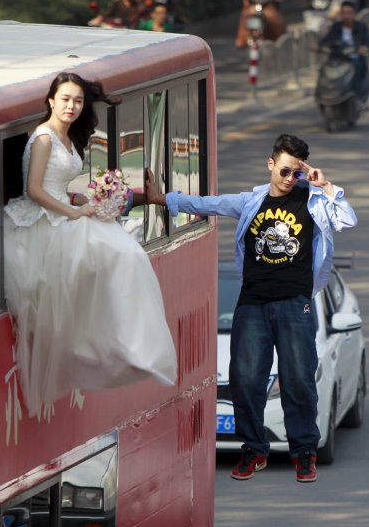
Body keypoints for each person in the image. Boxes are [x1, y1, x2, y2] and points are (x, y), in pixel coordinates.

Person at [145, 134, 357, 483]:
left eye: (297, 174)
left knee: (298, 380)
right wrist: (159, 198)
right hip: (253, 303)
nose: (291, 180)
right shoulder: (250, 201)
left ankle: (304, 453)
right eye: (286, 171)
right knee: (245, 380)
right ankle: (254, 449)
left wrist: (327, 185)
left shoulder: (314, 200)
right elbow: (207, 203)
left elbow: (346, 220)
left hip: (295, 303)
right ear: (271, 164)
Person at [3, 72, 177, 420]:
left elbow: (55, 185)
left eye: (78, 101)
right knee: (116, 254)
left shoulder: (66, 138)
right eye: (65, 99)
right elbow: (35, 190)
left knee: (126, 254)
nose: (72, 106)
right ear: (51, 100)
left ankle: (131, 346)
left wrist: (81, 197)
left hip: (64, 209)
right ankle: (115, 347)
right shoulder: (43, 138)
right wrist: (73, 211)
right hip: (42, 220)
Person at [320, 0, 369, 106]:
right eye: (344, 13)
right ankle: (324, 94)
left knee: (358, 67)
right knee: (325, 70)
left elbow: (367, 42)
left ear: (354, 13)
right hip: (338, 58)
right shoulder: (336, 27)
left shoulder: (361, 27)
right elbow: (327, 40)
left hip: (354, 58)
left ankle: (357, 96)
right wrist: (319, 46)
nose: (346, 16)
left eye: (349, 13)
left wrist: (363, 48)